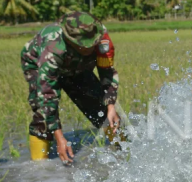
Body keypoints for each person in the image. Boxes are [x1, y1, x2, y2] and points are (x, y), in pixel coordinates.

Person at [20, 11, 120, 164]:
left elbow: (107, 72)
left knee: (102, 109)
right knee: (43, 116)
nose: (88, 49)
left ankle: (124, 151)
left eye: (91, 45)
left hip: (78, 67)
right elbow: (47, 95)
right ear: (70, 41)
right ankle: (40, 171)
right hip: (38, 64)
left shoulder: (100, 36)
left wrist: (111, 105)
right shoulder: (53, 48)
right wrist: (60, 138)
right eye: (83, 46)